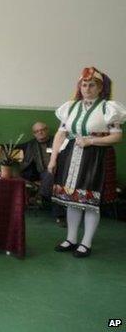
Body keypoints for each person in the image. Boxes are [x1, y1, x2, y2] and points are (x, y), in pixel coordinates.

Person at [49, 67, 126, 258]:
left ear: (100, 88)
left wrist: (91, 141)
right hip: (71, 156)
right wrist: (53, 158)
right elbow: (61, 133)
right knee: (72, 199)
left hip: (96, 157)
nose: (87, 88)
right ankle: (71, 238)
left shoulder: (108, 108)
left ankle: (86, 242)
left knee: (90, 201)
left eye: (92, 85)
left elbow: (116, 137)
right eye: (84, 84)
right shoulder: (70, 107)